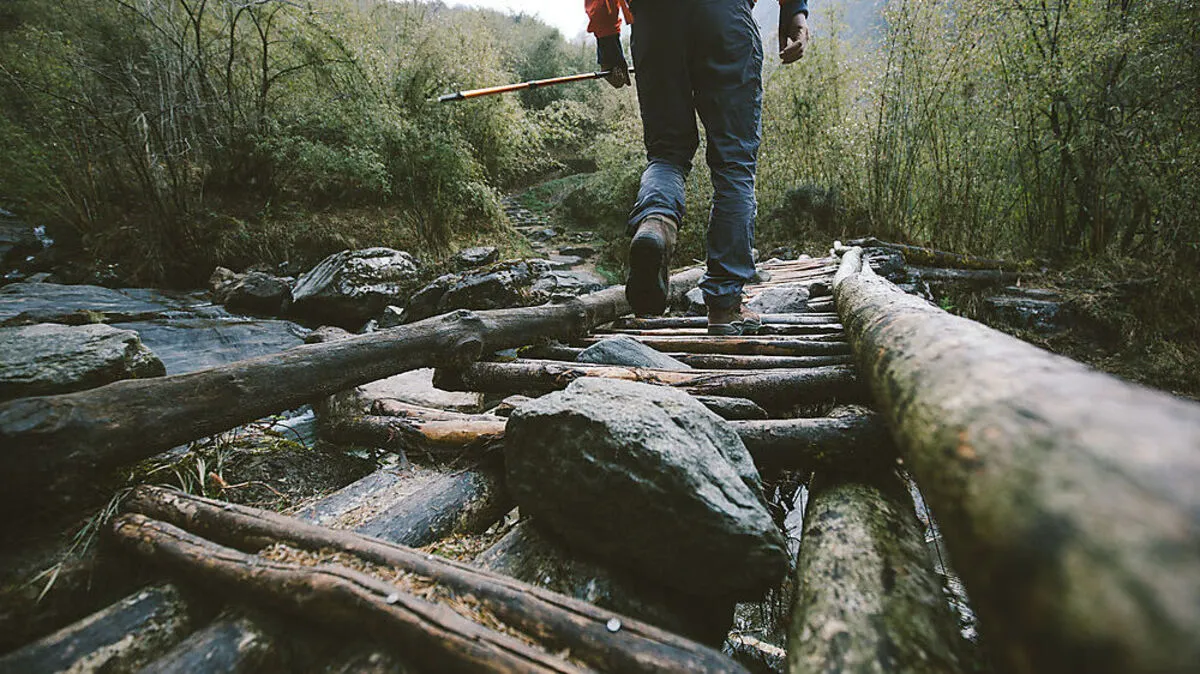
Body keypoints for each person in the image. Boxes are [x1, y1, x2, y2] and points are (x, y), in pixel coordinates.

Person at [585, 0, 810, 335]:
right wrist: (794, 12)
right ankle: (724, 307)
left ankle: (656, 223)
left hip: (654, 22)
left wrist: (606, 39)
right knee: (733, 165)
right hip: (724, 19)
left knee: (666, 154)